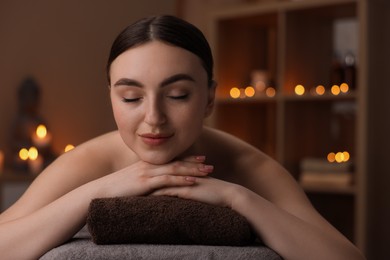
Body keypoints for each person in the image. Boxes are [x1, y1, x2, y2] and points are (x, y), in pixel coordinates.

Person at [0, 15, 365, 260]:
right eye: (131, 98)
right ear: (111, 96)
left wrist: (236, 197)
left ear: (208, 98)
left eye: (177, 96)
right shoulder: (89, 162)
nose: (154, 118)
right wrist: (104, 188)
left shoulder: (248, 165)